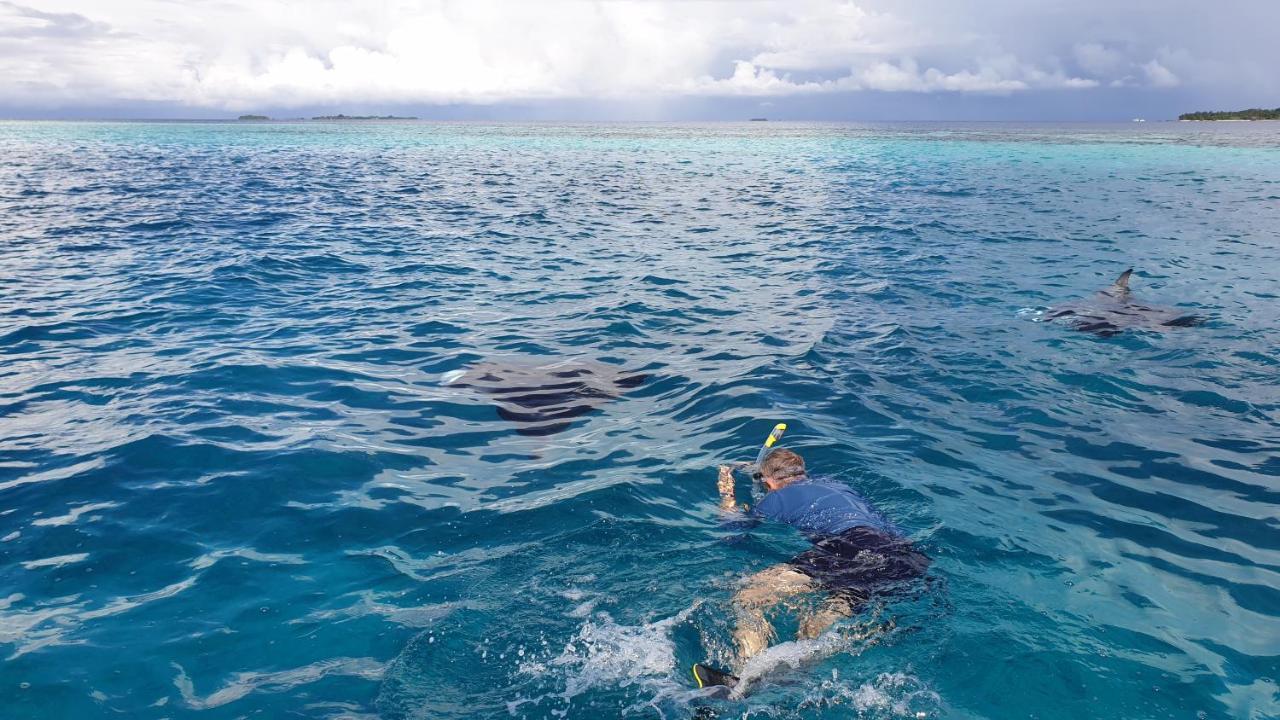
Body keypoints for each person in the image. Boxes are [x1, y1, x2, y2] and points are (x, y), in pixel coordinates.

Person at [692, 448, 929, 692]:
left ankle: (742, 678)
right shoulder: (837, 485)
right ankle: (792, 676)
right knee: (819, 625)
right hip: (903, 557)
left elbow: (732, 534)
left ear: (768, 482)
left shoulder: (776, 499)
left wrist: (726, 493)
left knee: (748, 598)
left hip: (849, 547)